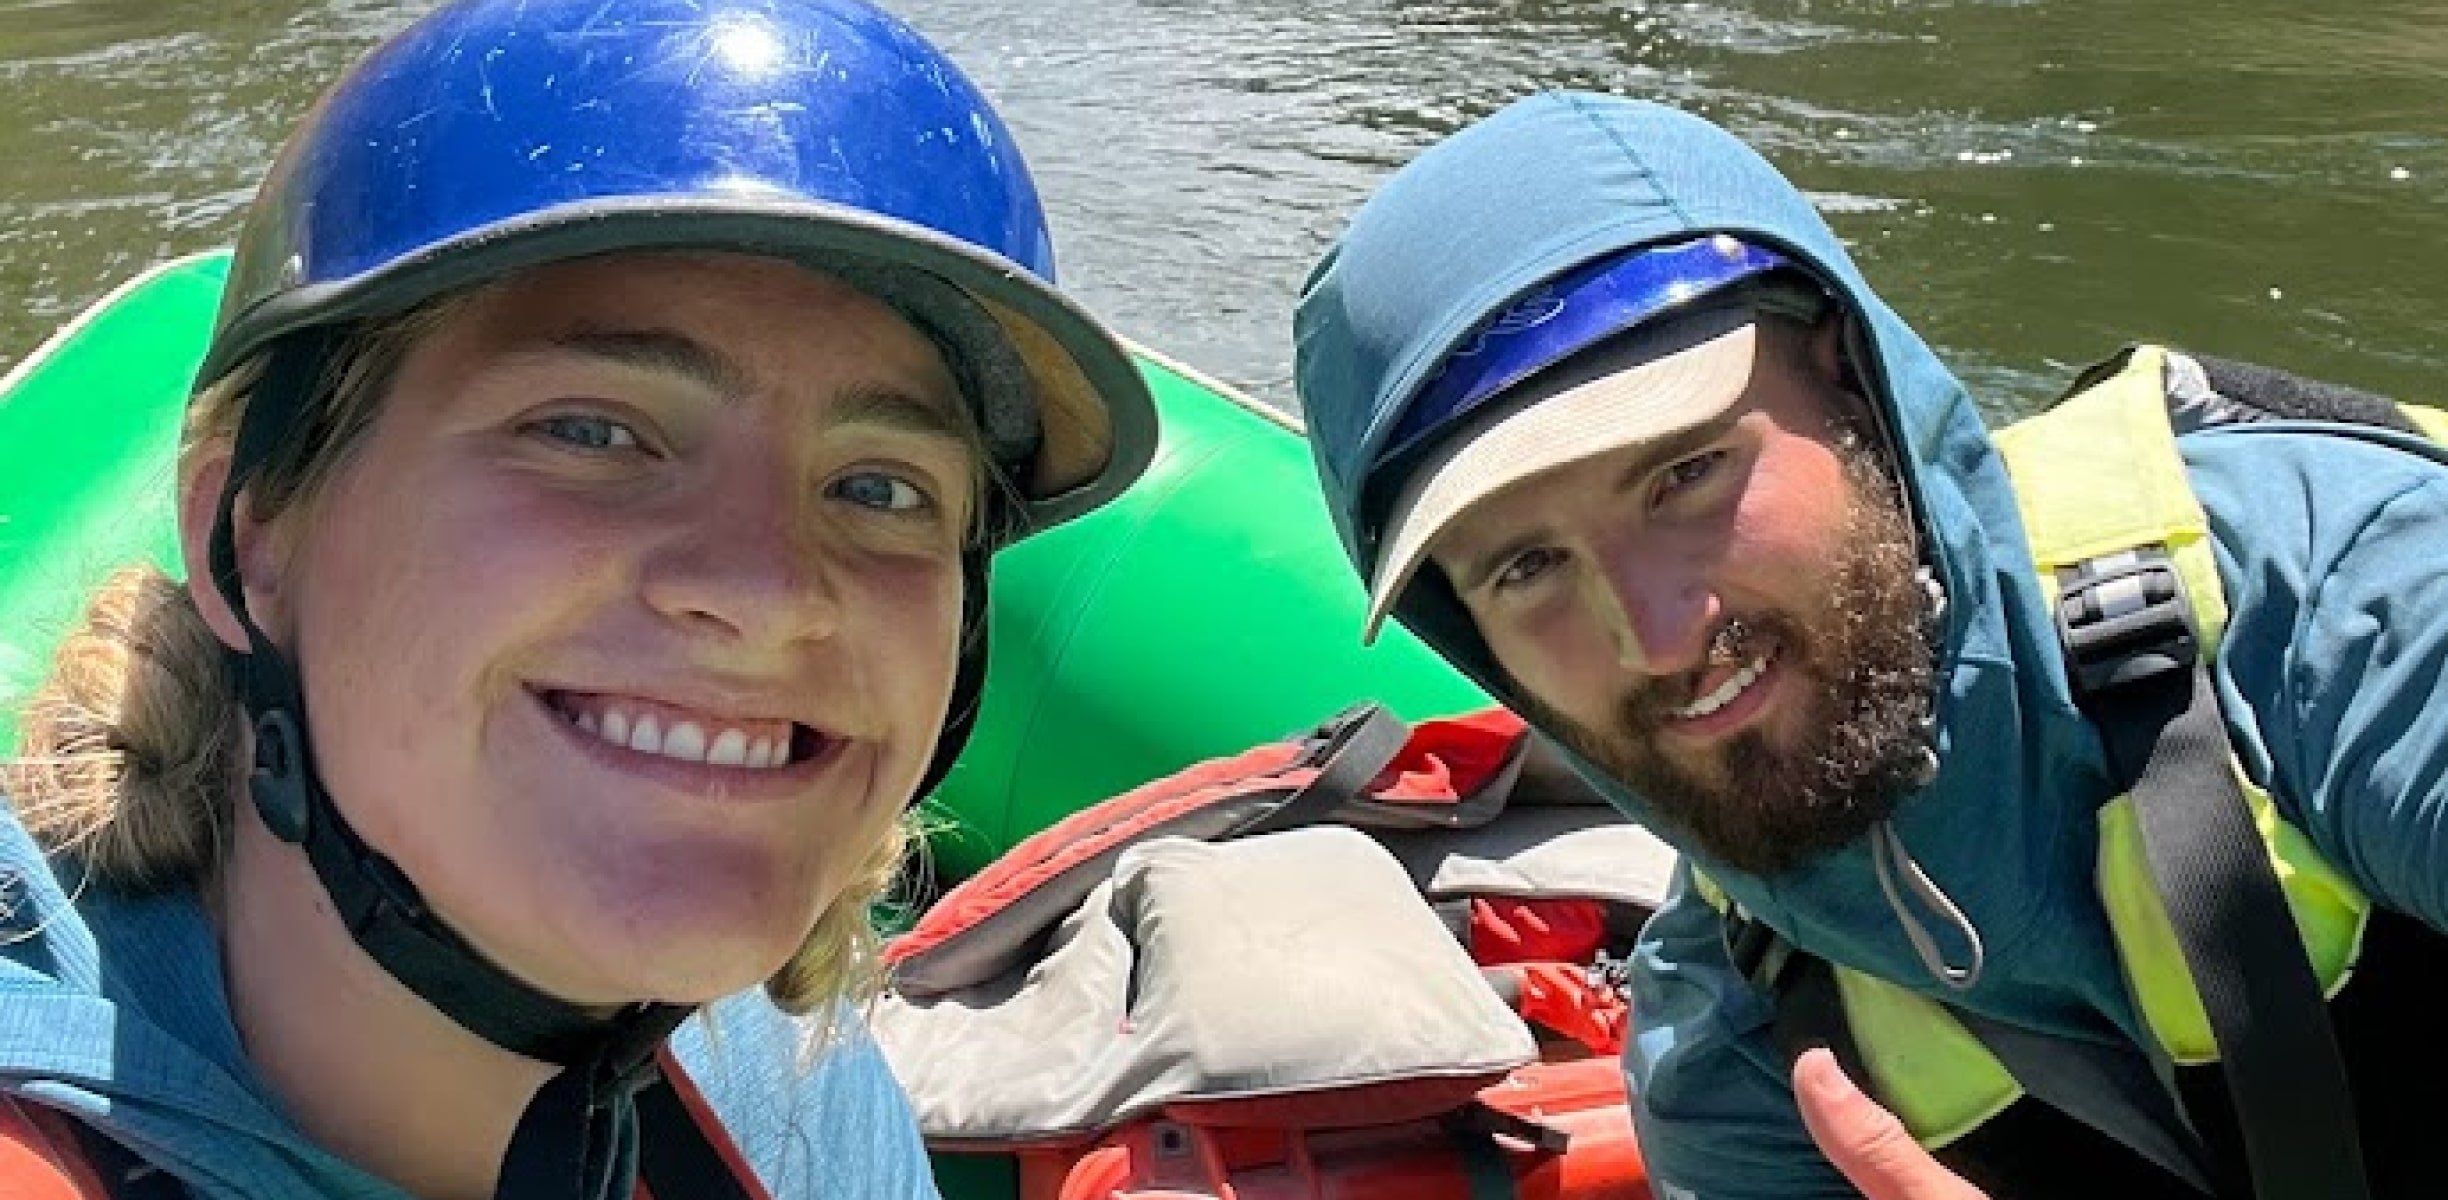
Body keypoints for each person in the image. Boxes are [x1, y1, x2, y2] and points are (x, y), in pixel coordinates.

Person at [0, 0, 1157, 1197]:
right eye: (593, 431)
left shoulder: (775, 1075)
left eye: (880, 486)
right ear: (249, 538)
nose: (766, 596)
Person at [1293, 90, 2448, 1198]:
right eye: (1527, 567)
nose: (1655, 635)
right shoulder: (1734, 1049)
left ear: (1849, 380)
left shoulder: (2330, 610)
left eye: (1685, 474)